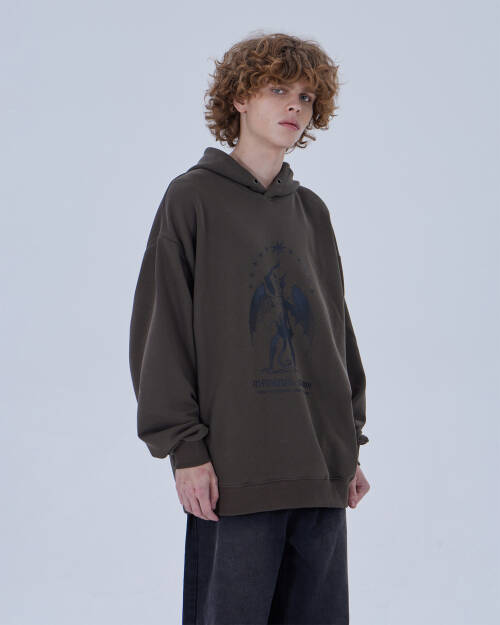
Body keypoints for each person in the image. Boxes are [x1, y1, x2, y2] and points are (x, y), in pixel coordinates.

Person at [129, 32, 371, 625]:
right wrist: (185, 450)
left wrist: (348, 446)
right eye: (278, 90)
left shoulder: (310, 211)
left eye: (306, 97)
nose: (295, 106)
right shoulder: (192, 199)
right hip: (235, 474)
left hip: (319, 472)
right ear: (239, 97)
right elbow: (162, 331)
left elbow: (334, 334)